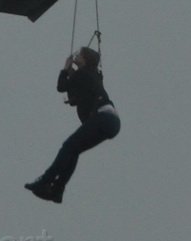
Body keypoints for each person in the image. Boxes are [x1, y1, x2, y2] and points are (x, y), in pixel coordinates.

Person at [25, 46, 120, 203]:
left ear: (85, 59)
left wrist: (65, 68)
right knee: (73, 150)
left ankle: (46, 181)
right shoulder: (92, 74)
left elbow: (61, 87)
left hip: (103, 117)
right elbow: (81, 88)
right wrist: (72, 73)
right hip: (112, 121)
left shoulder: (83, 73)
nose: (76, 56)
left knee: (68, 147)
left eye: (79, 55)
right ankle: (57, 190)